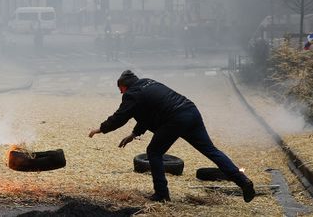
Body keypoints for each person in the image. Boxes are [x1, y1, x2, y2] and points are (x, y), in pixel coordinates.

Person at [88, 70, 255, 203]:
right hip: (190, 110)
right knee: (210, 150)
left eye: (120, 89)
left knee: (153, 152)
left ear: (125, 86)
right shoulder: (148, 82)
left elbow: (120, 116)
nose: (120, 93)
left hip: (175, 118)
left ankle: (162, 194)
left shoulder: (132, 94)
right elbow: (147, 113)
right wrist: (134, 134)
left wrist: (100, 129)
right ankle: (243, 181)